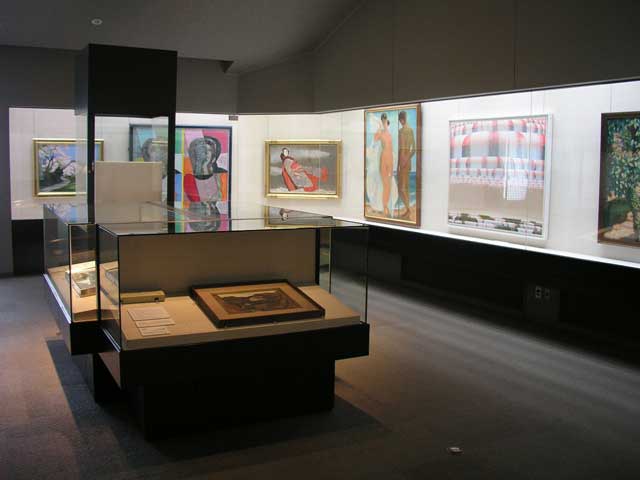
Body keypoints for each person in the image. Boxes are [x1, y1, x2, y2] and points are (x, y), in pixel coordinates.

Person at [183, 136, 228, 202]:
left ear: (214, 155)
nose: (206, 153)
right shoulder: (188, 177)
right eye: (202, 149)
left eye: (209, 150)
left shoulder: (223, 175)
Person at [374, 113, 394, 216]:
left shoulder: (389, 134)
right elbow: (375, 138)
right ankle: (385, 207)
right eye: (383, 121)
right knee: (386, 184)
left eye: (385, 121)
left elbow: (391, 149)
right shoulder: (381, 133)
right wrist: (379, 127)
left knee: (388, 185)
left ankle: (386, 206)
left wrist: (392, 164)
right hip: (384, 159)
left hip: (390, 159)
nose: (384, 122)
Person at [397, 110, 416, 218]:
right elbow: (399, 150)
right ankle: (408, 210)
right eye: (400, 120)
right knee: (403, 188)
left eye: (402, 119)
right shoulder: (400, 131)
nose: (401, 121)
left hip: (406, 162)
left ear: (404, 118)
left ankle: (408, 210)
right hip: (402, 162)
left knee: (403, 188)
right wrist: (398, 165)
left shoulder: (409, 130)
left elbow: (414, 149)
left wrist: (405, 159)